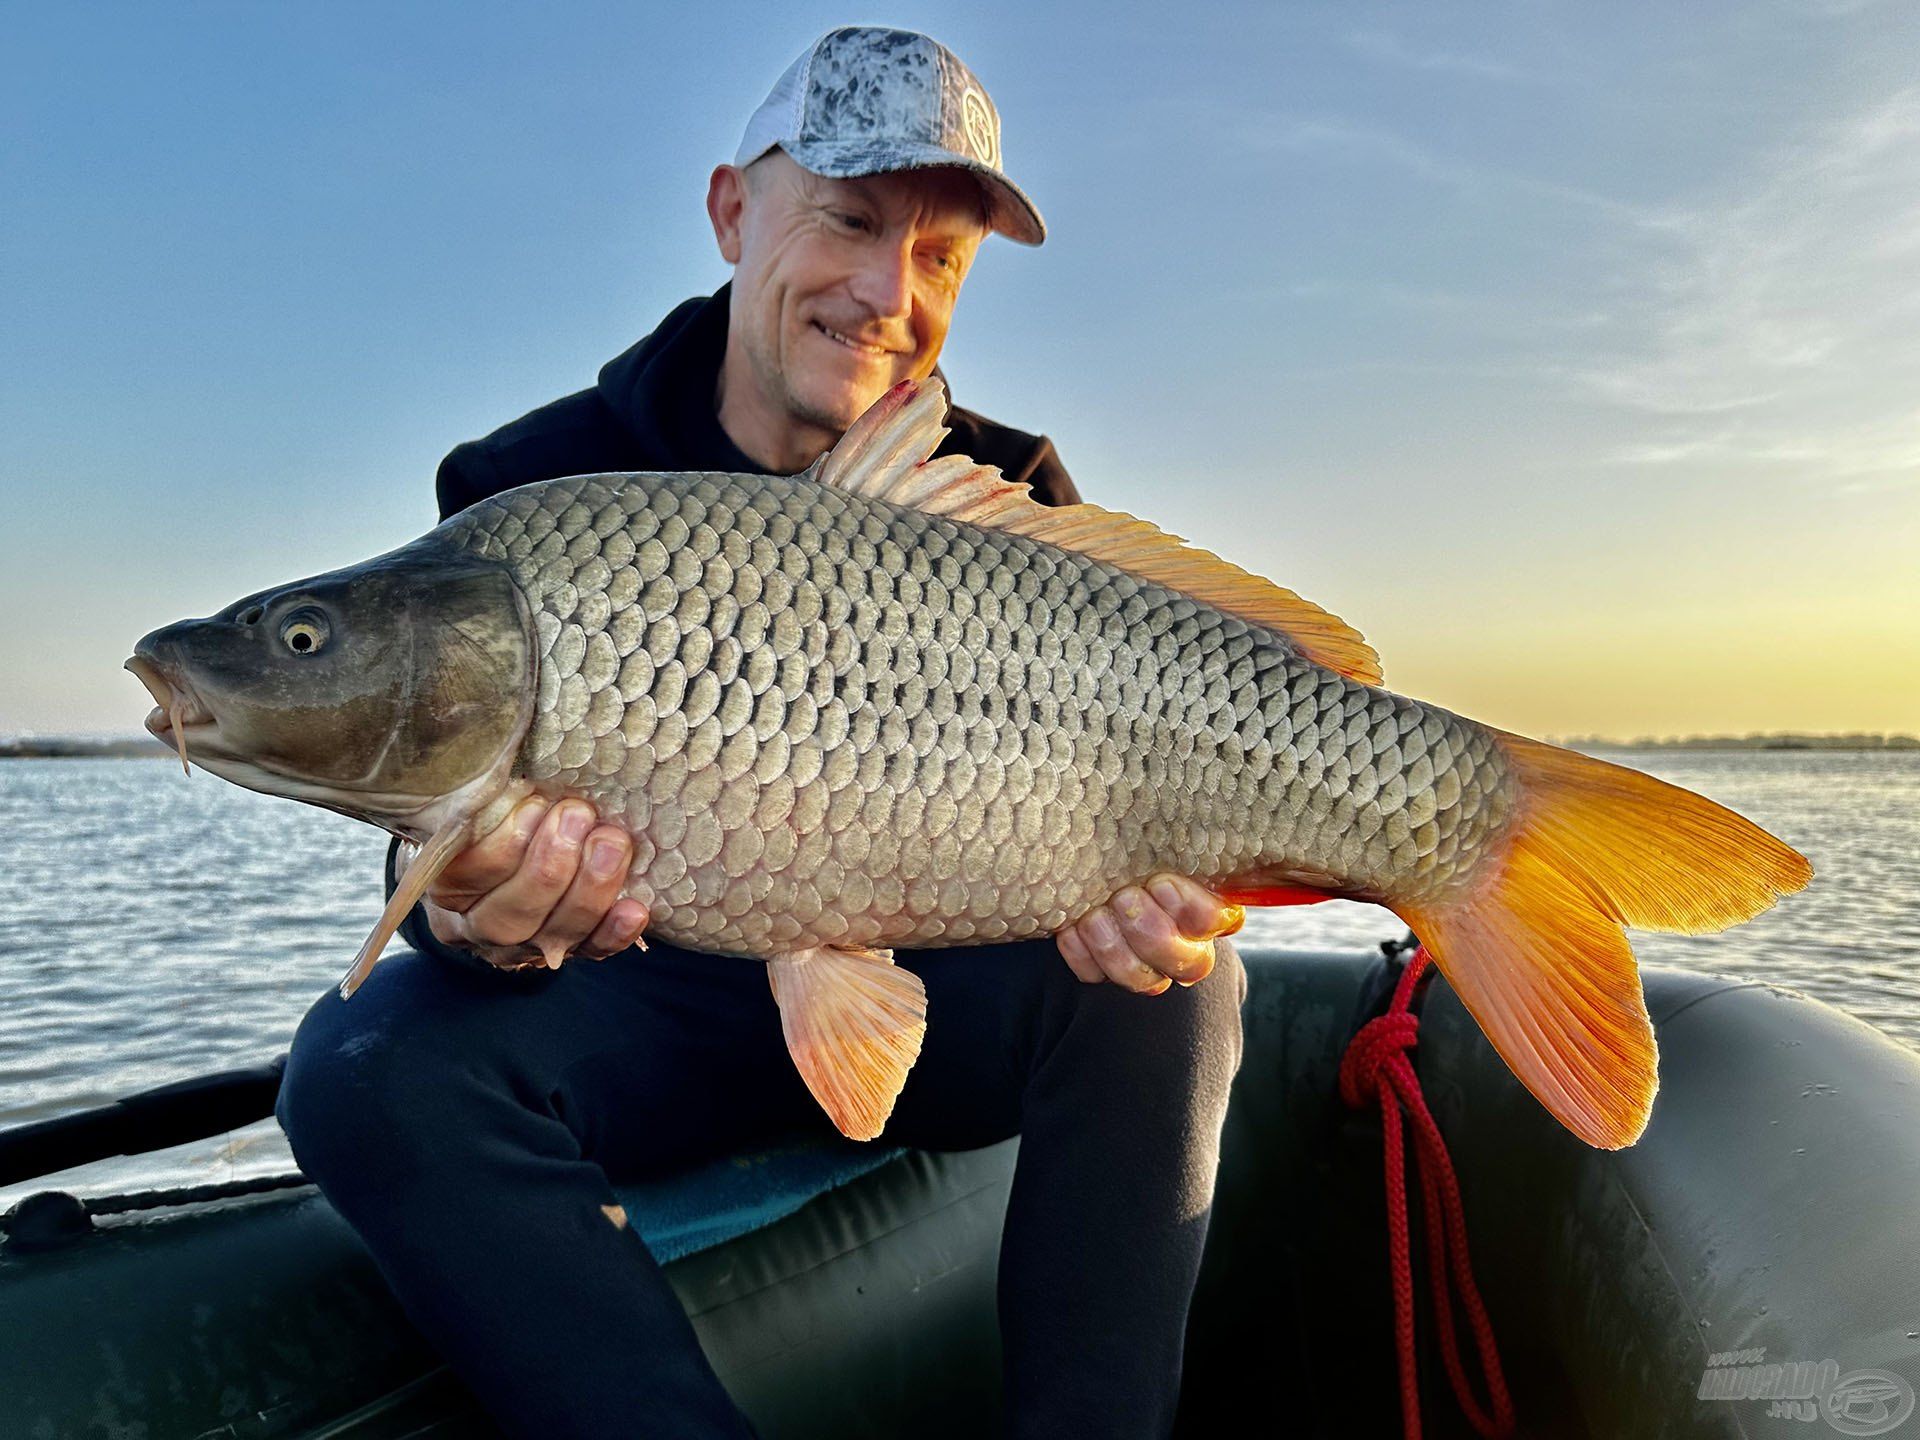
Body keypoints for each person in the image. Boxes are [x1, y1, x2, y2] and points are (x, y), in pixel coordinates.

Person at [277, 26, 1247, 1439]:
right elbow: (430, 869)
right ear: (733, 210)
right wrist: (486, 924)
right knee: (362, 1065)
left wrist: (1165, 909)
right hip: (641, 1012)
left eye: (940, 258)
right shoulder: (532, 486)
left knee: (1191, 989)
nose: (885, 292)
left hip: (932, 989)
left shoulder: (1011, 494)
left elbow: (1134, 817)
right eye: (848, 219)